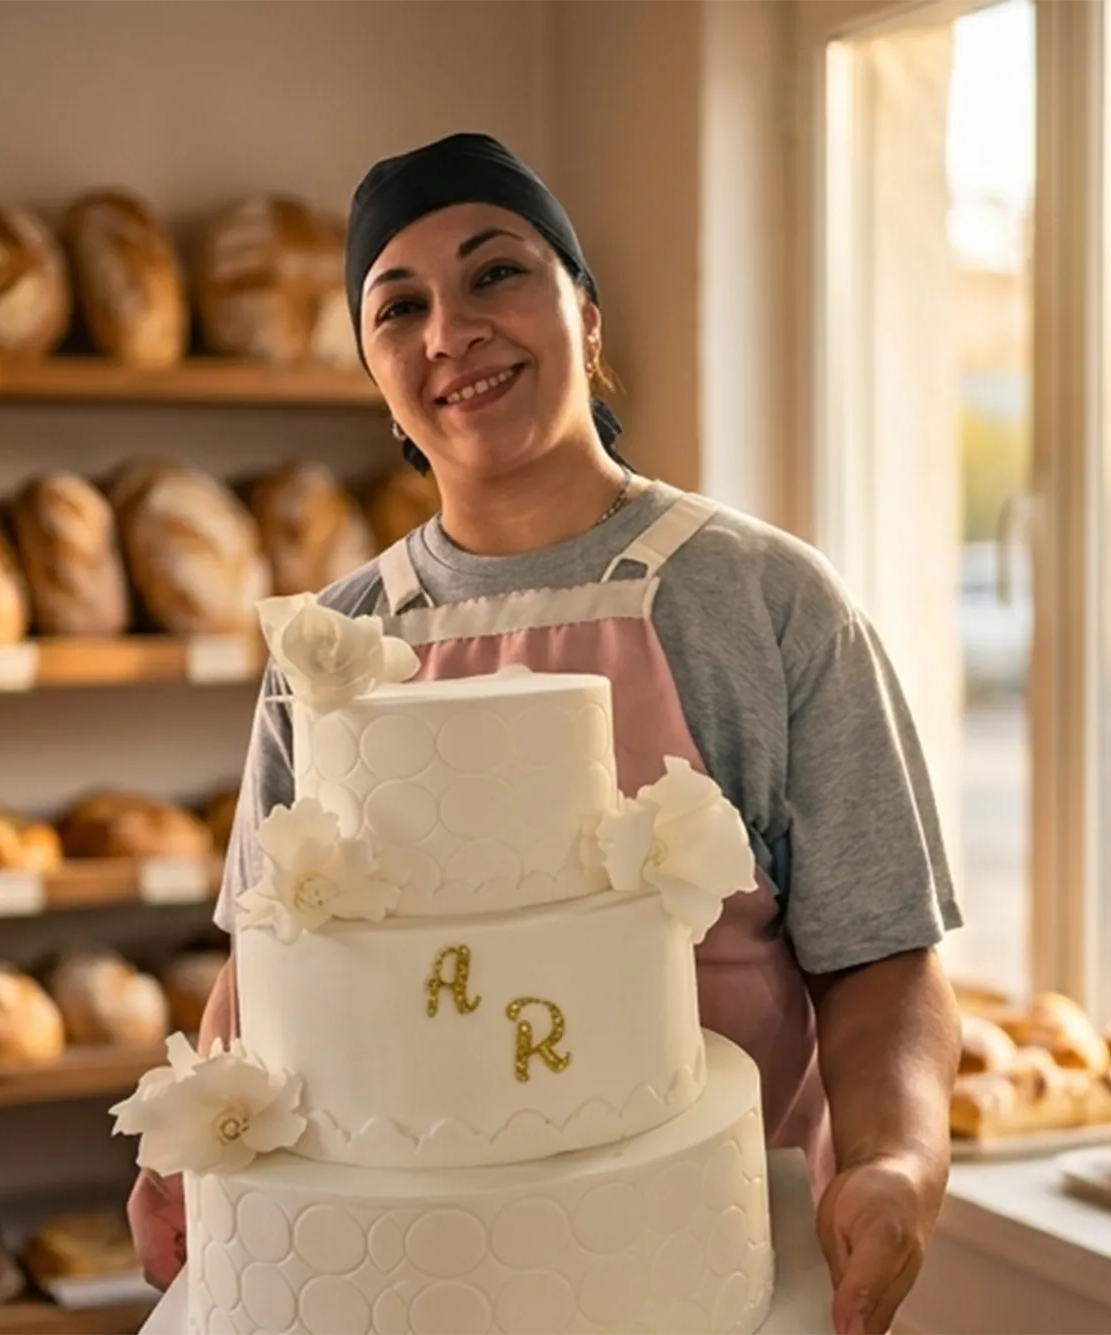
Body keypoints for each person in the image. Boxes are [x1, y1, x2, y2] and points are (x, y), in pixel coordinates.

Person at [127, 132, 962, 1335]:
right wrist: (191, 1139)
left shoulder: (760, 600)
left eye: (495, 274)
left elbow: (880, 952)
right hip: (391, 1296)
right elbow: (270, 963)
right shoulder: (328, 643)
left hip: (702, 1272)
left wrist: (898, 1156)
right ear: (374, 375)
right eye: (396, 305)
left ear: (586, 312)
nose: (448, 331)